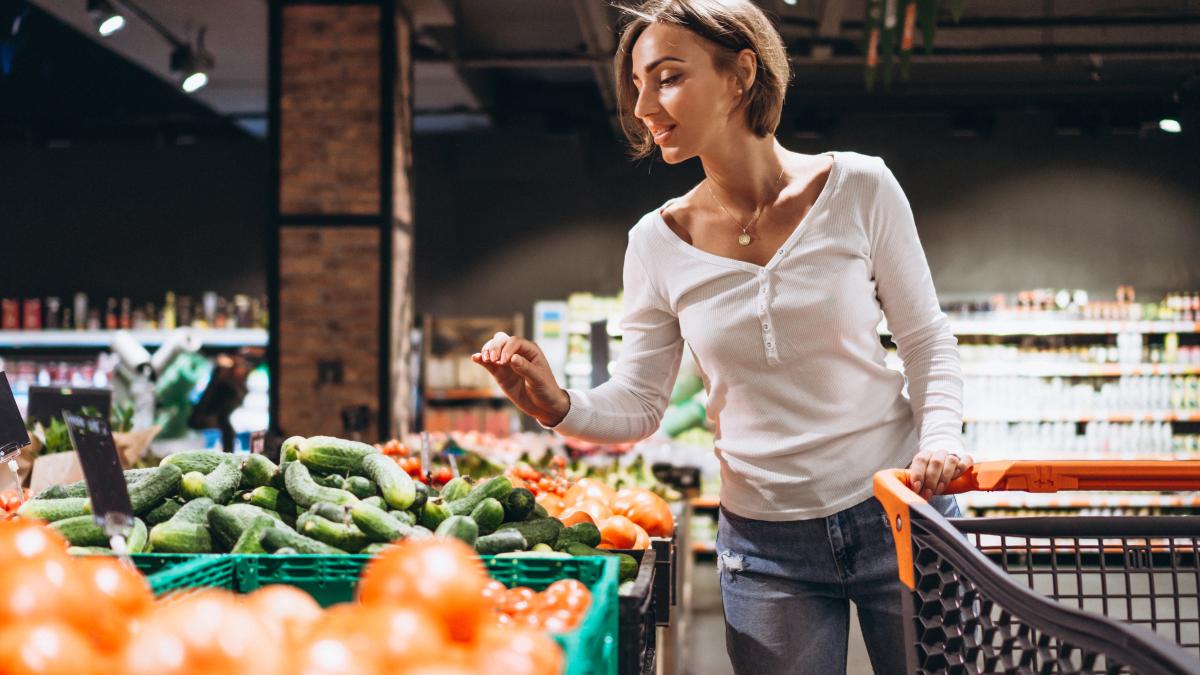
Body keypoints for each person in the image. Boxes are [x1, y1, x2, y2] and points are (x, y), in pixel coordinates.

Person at [473, 1, 970, 673]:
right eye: (637, 85)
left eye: (668, 77)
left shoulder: (859, 187)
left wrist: (940, 438)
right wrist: (556, 404)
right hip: (766, 549)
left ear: (740, 75)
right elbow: (640, 402)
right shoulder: (656, 242)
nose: (643, 106)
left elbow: (926, 338)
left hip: (901, 510)